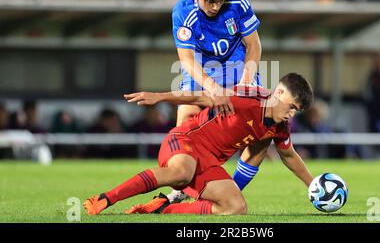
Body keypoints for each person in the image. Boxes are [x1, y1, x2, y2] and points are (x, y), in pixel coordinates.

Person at [83, 73, 314, 215]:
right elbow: (198, 97)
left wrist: (313, 186)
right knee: (181, 173)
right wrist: (159, 96)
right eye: (291, 106)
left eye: (297, 111)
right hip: (185, 141)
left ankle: (164, 208)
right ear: (279, 92)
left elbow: (289, 155)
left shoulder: (280, 126)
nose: (292, 114)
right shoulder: (246, 98)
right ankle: (106, 198)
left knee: (236, 207)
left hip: (208, 164)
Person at [169, 0, 263, 202]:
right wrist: (213, 88)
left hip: (235, 64)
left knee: (263, 132)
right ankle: (179, 186)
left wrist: (245, 83)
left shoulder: (237, 1)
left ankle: (231, 188)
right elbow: (187, 60)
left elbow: (254, 45)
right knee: (185, 121)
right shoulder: (182, 11)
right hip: (201, 65)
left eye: (220, 0)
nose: (215, 6)